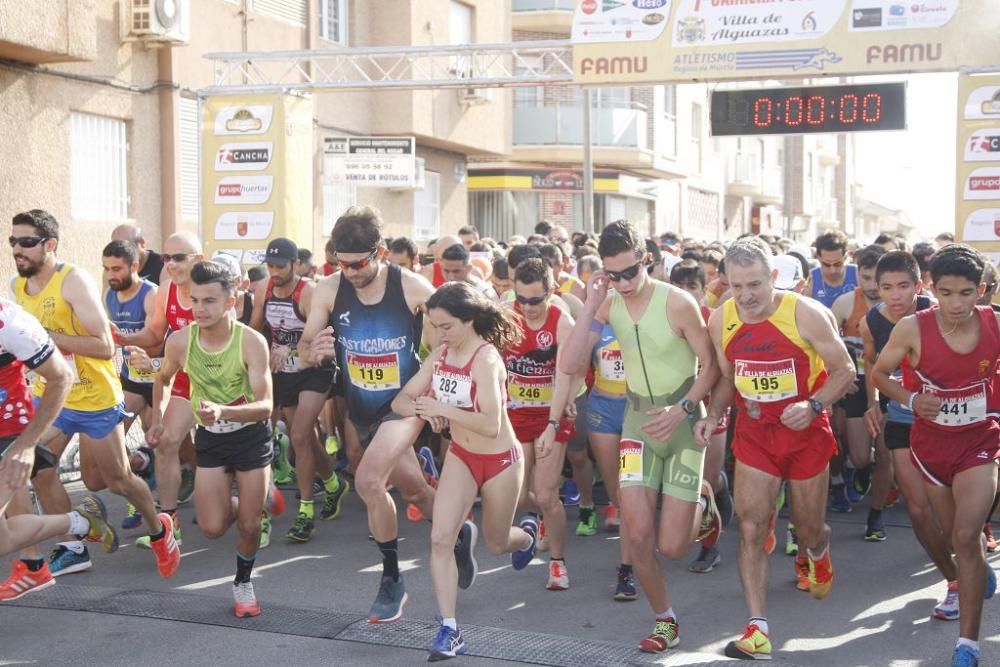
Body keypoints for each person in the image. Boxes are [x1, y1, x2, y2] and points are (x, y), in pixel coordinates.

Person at [561, 220, 720, 653]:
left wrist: (684, 408)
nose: (624, 282)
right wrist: (593, 301)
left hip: (683, 422)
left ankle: (703, 505)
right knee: (637, 534)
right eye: (614, 275)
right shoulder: (608, 303)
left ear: (646, 261)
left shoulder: (678, 303)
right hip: (635, 425)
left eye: (631, 272)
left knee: (672, 546)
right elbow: (572, 363)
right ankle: (665, 619)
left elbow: (710, 367)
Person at [693, 236, 855, 661]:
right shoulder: (721, 318)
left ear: (773, 278)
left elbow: (845, 370)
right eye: (736, 286)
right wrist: (713, 416)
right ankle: (757, 629)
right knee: (750, 527)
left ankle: (817, 551)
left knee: (806, 529)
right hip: (756, 434)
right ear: (725, 282)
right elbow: (728, 378)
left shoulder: (807, 314)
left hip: (805, 432)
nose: (745, 296)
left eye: (755, 285)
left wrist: (814, 404)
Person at [10, 209, 177, 578]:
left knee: (116, 481)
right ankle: (72, 545)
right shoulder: (17, 288)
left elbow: (104, 346)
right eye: (13, 242)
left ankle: (159, 529)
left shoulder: (73, 282)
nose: (17, 250)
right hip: (51, 395)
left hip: (94, 396)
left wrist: (45, 341)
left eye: (26, 242)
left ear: (49, 245)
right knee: (39, 468)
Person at [301, 206, 442, 623]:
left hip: (403, 406)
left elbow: (449, 340)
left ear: (380, 252)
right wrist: (314, 352)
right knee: (415, 491)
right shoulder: (328, 289)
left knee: (366, 480)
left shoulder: (413, 288)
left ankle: (392, 579)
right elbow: (305, 348)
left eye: (358, 264)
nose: (349, 272)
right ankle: (458, 534)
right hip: (361, 407)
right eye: (339, 263)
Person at [390, 282, 533, 661]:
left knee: (497, 543)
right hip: (462, 455)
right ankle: (449, 630)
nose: (440, 334)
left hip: (501, 460)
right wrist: (426, 409)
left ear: (469, 321)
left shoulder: (486, 360)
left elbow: (490, 423)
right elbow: (401, 399)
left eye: (447, 326)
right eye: (434, 326)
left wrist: (440, 407)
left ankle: (528, 537)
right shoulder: (439, 354)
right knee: (439, 539)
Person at [871, 244, 999, 667]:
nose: (957, 303)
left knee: (965, 535)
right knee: (952, 536)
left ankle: (968, 646)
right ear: (932, 289)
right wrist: (910, 397)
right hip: (931, 447)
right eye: (947, 293)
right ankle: (974, 568)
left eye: (966, 293)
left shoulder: (995, 323)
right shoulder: (911, 328)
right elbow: (878, 374)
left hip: (980, 440)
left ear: (981, 290)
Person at [149, 260, 282, 618]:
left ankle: (242, 582)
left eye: (210, 300)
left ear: (231, 302)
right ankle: (256, 500)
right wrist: (157, 419)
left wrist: (225, 412)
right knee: (210, 527)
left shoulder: (250, 343)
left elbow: (266, 406)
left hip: (251, 437)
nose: (200, 309)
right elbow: (162, 379)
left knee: (251, 527)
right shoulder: (180, 341)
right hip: (211, 438)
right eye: (195, 300)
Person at [860, 250, 960, 619]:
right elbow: (873, 364)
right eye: (886, 287)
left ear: (919, 286)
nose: (895, 295)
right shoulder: (872, 321)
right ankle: (954, 581)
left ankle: (969, 558)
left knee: (948, 509)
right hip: (901, 417)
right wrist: (874, 402)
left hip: (946, 420)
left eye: (903, 286)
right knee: (917, 510)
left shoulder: (939, 313)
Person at [0, 297, 119, 599]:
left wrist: (26, 445)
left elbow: (60, 377)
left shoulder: (9, 320)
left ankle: (37, 560)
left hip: (9, 435)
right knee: (3, 539)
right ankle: (78, 521)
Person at [250, 238, 347, 543]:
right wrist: (261, 352)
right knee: (303, 437)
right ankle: (332, 483)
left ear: (296, 264)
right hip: (284, 373)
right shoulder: (263, 288)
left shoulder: (308, 292)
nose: (275, 271)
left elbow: (320, 339)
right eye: (270, 265)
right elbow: (254, 330)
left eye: (281, 266)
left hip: (314, 369)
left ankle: (305, 512)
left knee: (301, 436)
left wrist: (288, 349)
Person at [503, 258, 581, 591]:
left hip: (550, 413)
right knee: (521, 497)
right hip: (516, 414)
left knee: (547, 495)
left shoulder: (561, 322)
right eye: (523, 299)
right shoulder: (506, 317)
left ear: (550, 293)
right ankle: (543, 522)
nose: (530, 307)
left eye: (536, 300)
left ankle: (558, 564)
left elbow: (565, 377)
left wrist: (554, 421)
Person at [125, 231, 204, 548]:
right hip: (185, 381)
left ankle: (261, 501)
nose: (170, 264)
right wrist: (117, 336)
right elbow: (155, 334)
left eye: (178, 258)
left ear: (198, 260)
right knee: (167, 443)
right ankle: (170, 526)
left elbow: (209, 353)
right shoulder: (167, 290)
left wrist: (156, 366)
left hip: (221, 383)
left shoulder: (212, 290)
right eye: (167, 258)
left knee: (230, 460)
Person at [102, 240, 161, 529]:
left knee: (160, 438)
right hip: (133, 379)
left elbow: (154, 338)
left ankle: (191, 474)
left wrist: (124, 338)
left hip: (160, 376)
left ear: (134, 266)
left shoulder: (151, 295)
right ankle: (138, 490)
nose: (111, 275)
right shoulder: (109, 296)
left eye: (117, 268)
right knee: (113, 432)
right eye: (106, 269)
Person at [829, 244, 890, 522]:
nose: (873, 286)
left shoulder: (901, 304)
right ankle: (854, 472)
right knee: (859, 452)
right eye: (866, 278)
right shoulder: (845, 304)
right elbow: (824, 346)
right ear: (858, 276)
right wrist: (840, 376)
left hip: (887, 382)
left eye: (878, 279)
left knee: (884, 451)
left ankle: (871, 487)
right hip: (854, 382)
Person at [805, 230, 858, 309]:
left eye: (837, 264)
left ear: (846, 257)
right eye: (826, 264)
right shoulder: (811, 278)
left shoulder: (857, 273)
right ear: (818, 258)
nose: (832, 270)